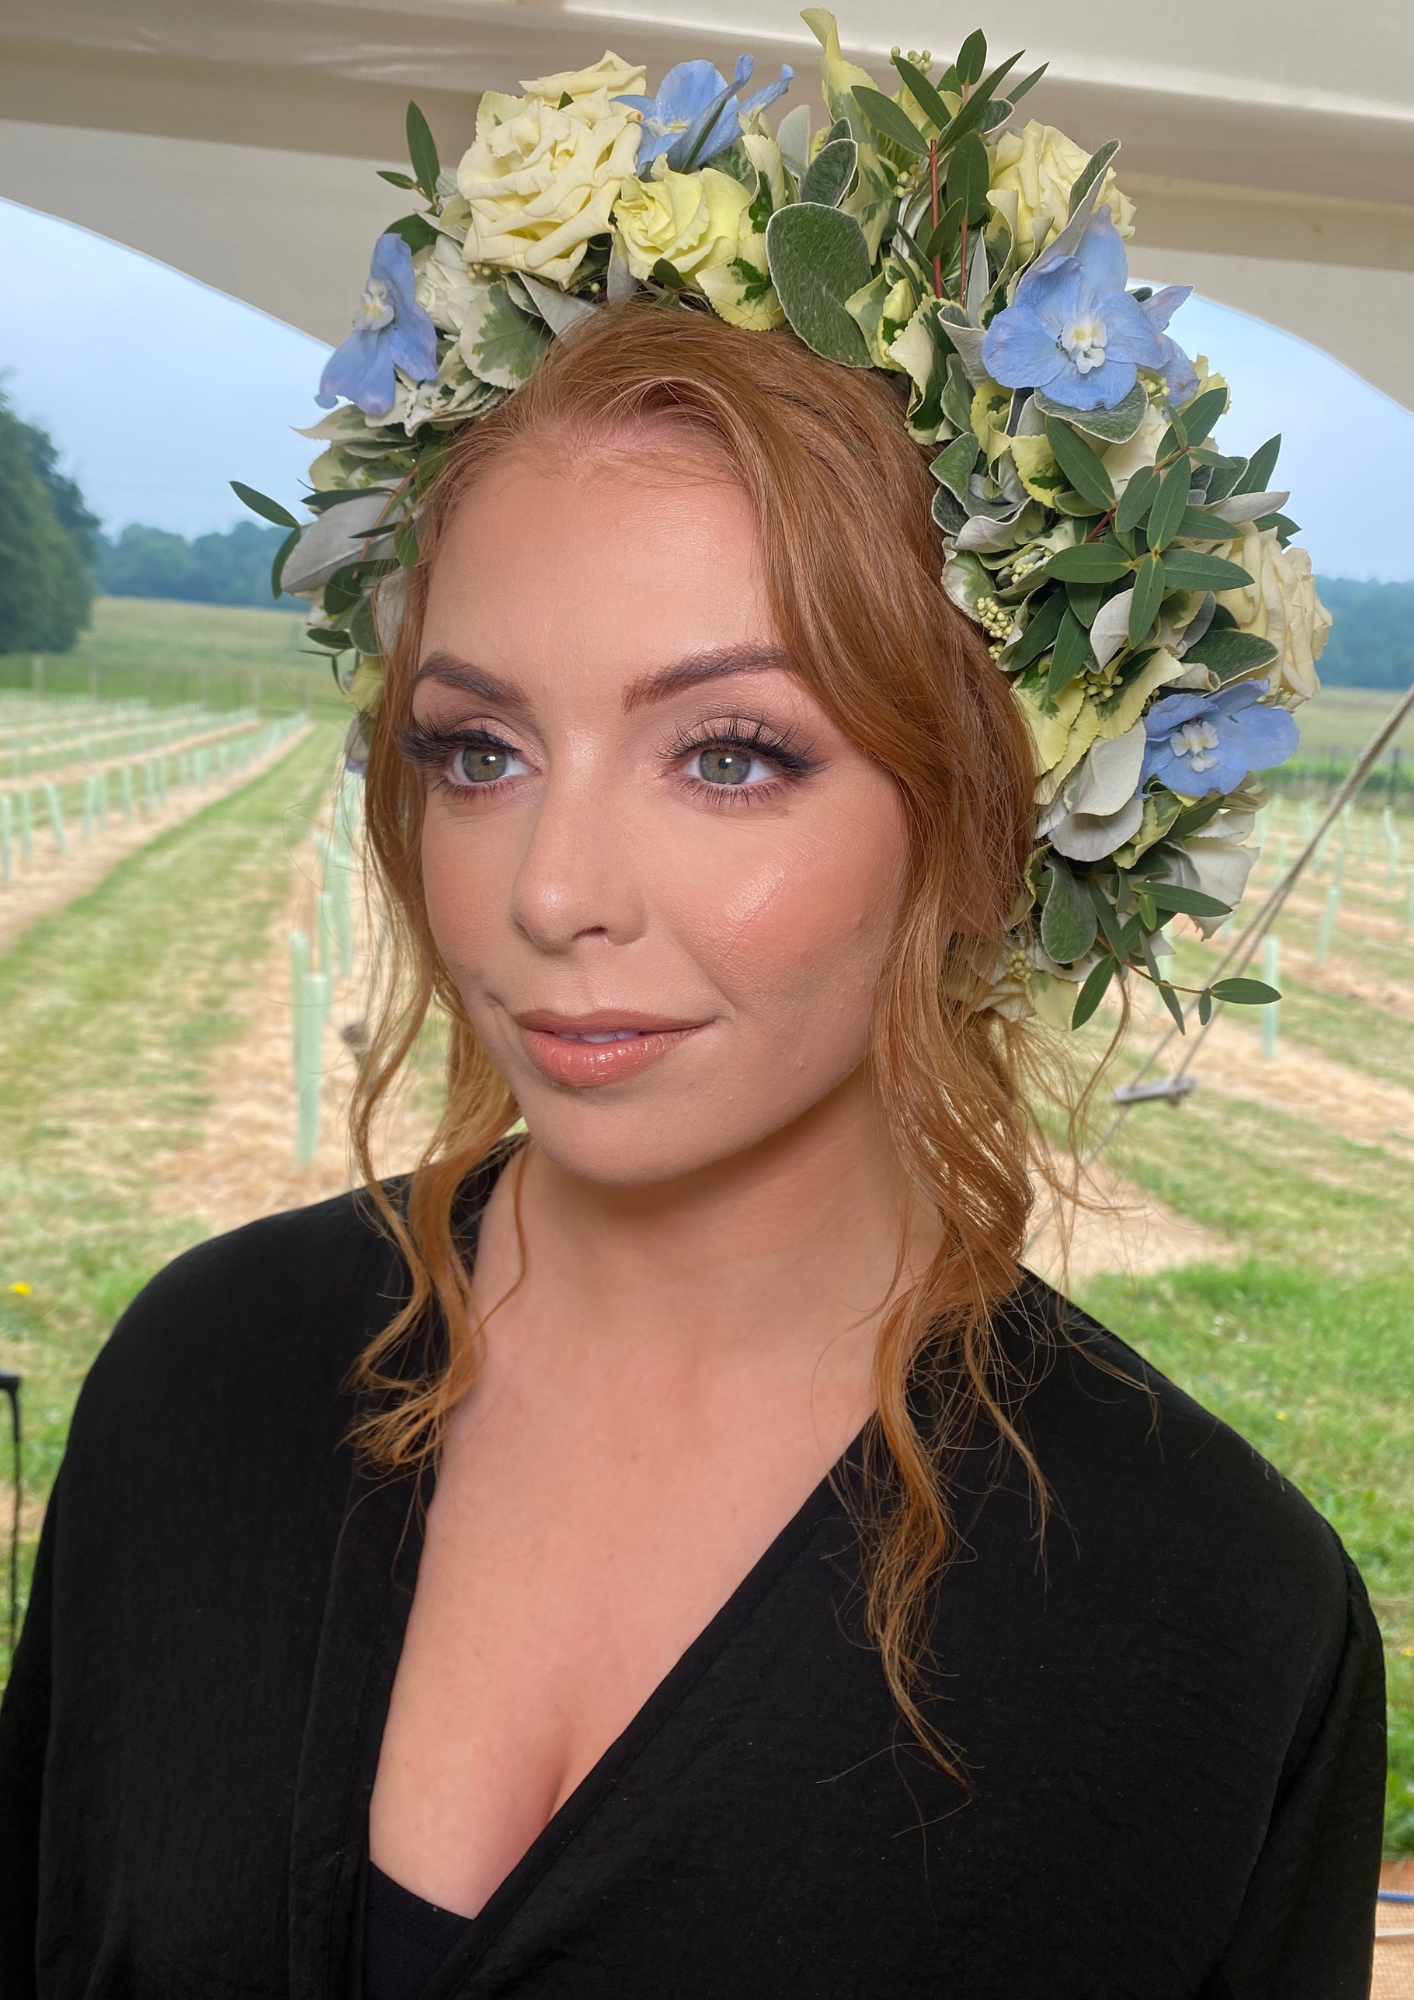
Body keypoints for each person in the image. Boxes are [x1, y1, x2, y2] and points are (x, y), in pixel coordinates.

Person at [0, 303, 1384, 1998]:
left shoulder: (1212, 1621)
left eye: (730, 755)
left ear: (979, 819)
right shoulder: (201, 1379)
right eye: (479, 750)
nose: (550, 891)